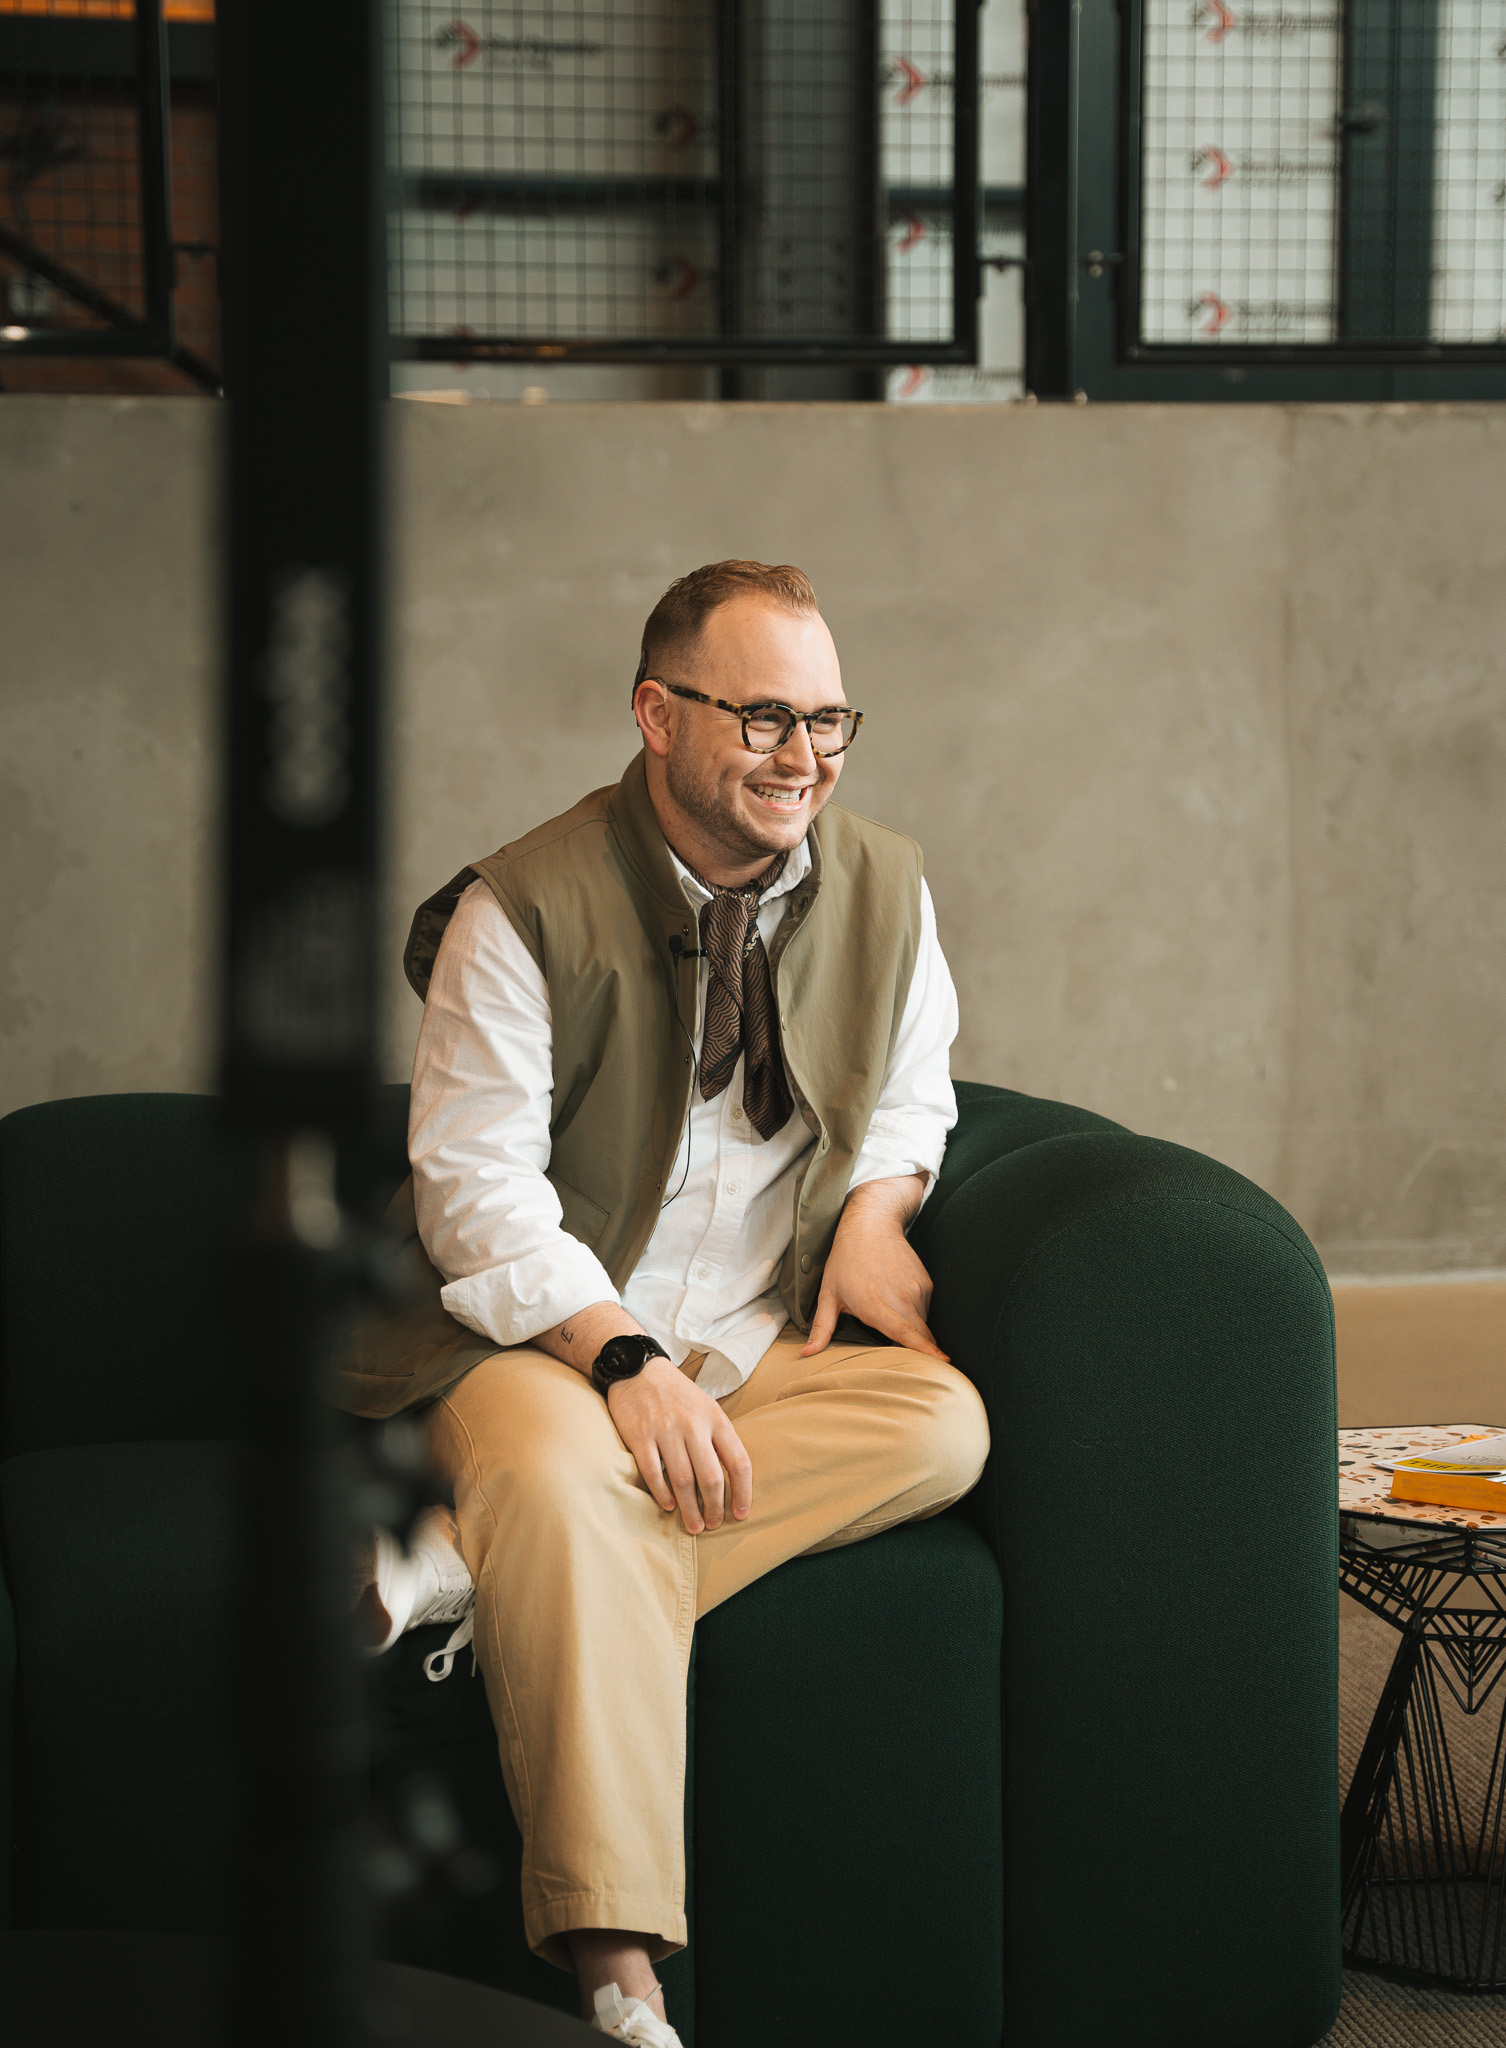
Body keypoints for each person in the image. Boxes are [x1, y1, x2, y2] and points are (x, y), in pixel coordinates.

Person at [348, 560, 990, 2045]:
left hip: (750, 1342)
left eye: (827, 721)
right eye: (763, 716)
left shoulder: (885, 889)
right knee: (560, 1473)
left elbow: (912, 1094)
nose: (802, 757)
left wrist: (878, 1210)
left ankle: (468, 1566)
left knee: (941, 1425)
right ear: (656, 714)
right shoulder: (517, 908)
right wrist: (623, 1357)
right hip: (527, 1338)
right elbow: (474, 1198)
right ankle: (618, 1975)